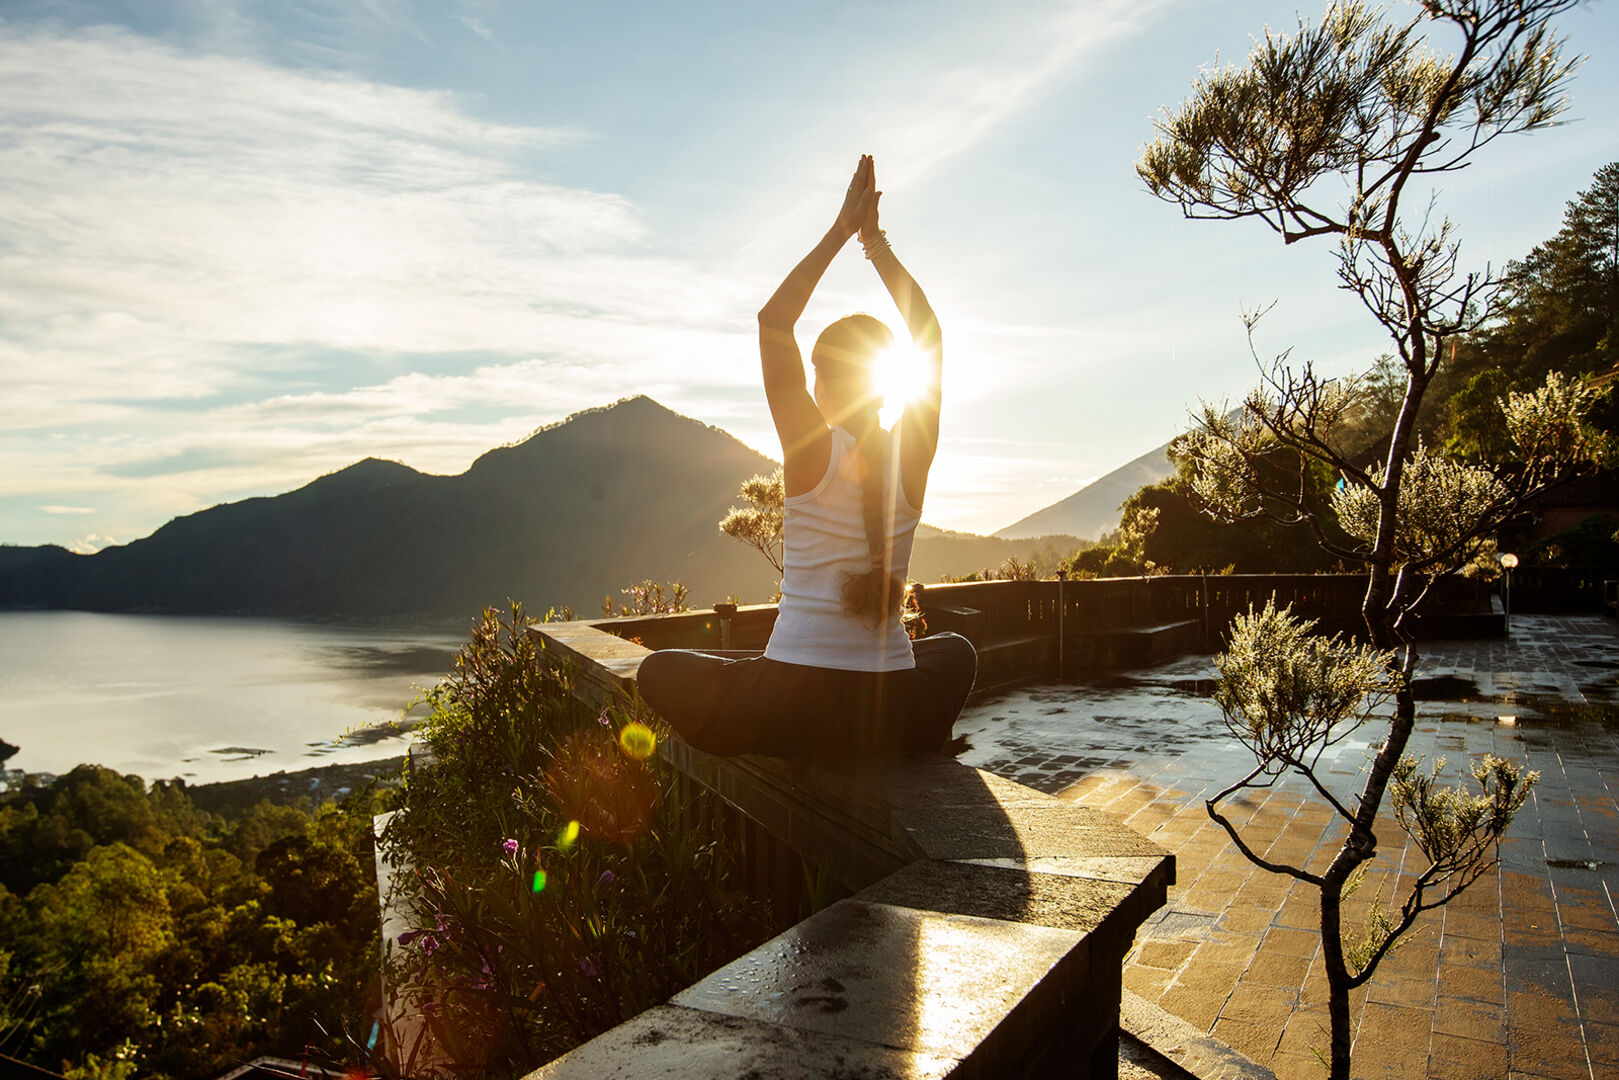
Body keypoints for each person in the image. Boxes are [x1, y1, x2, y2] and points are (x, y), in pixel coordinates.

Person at [637, 155, 976, 756]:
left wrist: (843, 230)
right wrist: (875, 243)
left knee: (659, 670)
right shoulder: (912, 458)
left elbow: (773, 321)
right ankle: (896, 739)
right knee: (955, 652)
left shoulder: (811, 449)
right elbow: (932, 330)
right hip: (889, 707)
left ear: (820, 383)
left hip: (790, 706)